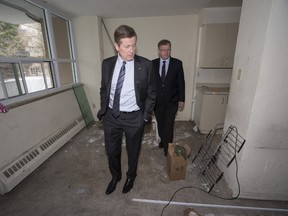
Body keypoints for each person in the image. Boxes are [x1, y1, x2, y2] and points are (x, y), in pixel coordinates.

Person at [97, 25, 156, 195]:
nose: (131, 50)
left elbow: (152, 93)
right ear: (117, 46)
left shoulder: (145, 65)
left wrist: (145, 116)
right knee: (112, 150)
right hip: (111, 116)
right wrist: (104, 108)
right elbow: (104, 88)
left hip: (134, 117)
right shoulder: (107, 64)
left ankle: (131, 176)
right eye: (127, 46)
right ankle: (115, 176)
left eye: (134, 45)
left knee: (133, 151)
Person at [152, 39, 185, 156]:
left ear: (170, 49)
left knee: (169, 124)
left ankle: (168, 146)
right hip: (157, 101)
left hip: (172, 100)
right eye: (163, 50)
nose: (166, 52)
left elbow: (181, 82)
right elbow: (150, 83)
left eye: (168, 50)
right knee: (160, 123)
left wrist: (181, 99)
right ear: (158, 51)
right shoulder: (153, 64)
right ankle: (162, 139)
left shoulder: (177, 63)